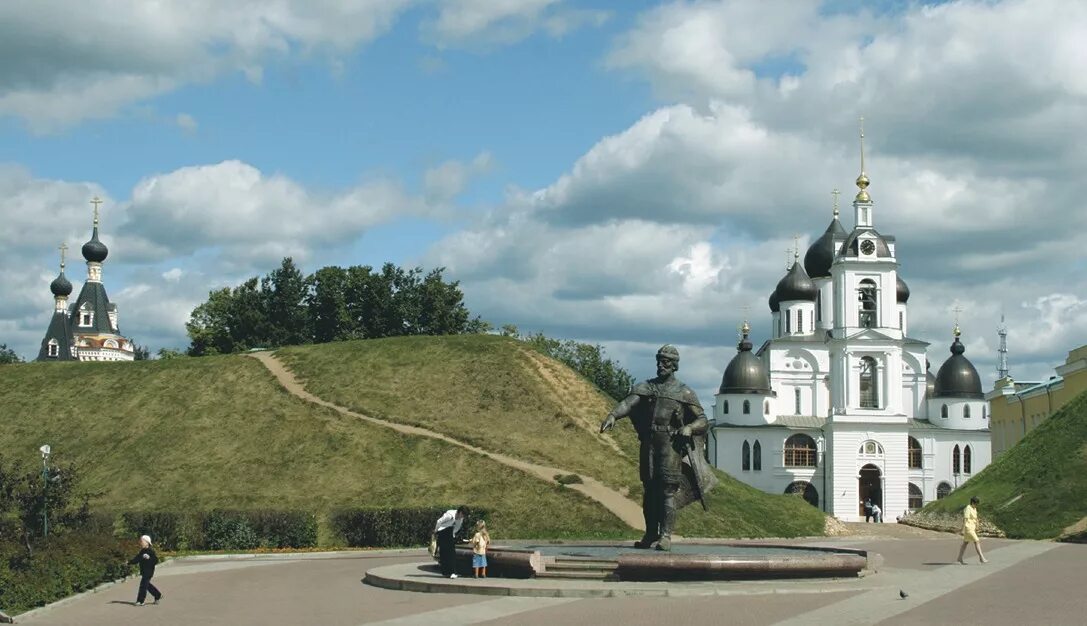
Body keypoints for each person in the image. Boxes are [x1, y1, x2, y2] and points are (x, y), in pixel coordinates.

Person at [600, 344, 713, 551]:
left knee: (667, 490)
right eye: (659, 361)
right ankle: (651, 533)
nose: (661, 365)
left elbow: (703, 420)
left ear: (675, 366)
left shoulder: (684, 392)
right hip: (650, 442)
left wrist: (689, 427)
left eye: (666, 362)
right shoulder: (647, 387)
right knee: (649, 489)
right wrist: (613, 415)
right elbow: (628, 403)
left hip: (671, 444)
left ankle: (666, 536)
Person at [434, 506, 468, 578]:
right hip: (442, 532)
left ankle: (452, 572)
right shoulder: (449, 515)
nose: (463, 517)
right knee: (444, 553)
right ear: (460, 512)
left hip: (449, 532)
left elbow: (457, 527)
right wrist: (436, 531)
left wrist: (452, 534)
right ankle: (447, 572)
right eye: (463, 515)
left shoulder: (460, 518)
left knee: (451, 553)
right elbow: (439, 521)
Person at [128, 535, 162, 606]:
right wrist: (129, 562)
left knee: (143, 586)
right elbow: (137, 559)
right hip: (143, 571)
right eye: (140, 541)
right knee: (147, 585)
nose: (141, 543)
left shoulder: (151, 551)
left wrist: (149, 558)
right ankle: (157, 595)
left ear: (147, 542)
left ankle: (140, 601)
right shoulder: (142, 551)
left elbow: (155, 560)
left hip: (149, 572)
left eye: (142, 541)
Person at [957, 496, 989, 564]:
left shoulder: (974, 508)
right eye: (976, 503)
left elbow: (975, 518)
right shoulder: (968, 508)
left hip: (972, 528)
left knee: (965, 543)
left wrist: (977, 525)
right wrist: (962, 529)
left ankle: (959, 558)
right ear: (972, 502)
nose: (977, 505)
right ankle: (981, 558)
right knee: (977, 541)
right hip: (968, 528)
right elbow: (965, 519)